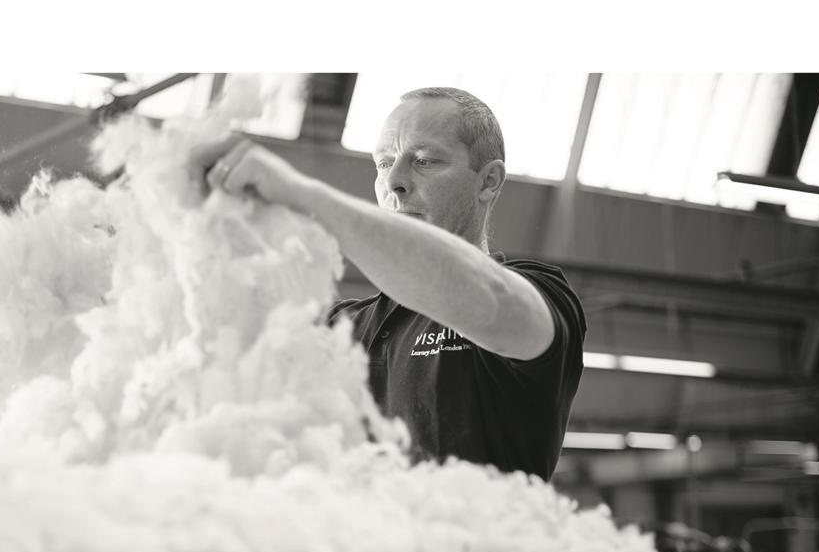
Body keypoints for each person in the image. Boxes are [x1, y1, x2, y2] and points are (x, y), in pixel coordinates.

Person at [193, 86, 586, 480]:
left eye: (424, 161)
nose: (394, 181)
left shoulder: (538, 294)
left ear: (488, 181)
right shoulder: (341, 328)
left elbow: (490, 299)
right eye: (383, 163)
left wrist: (303, 197)